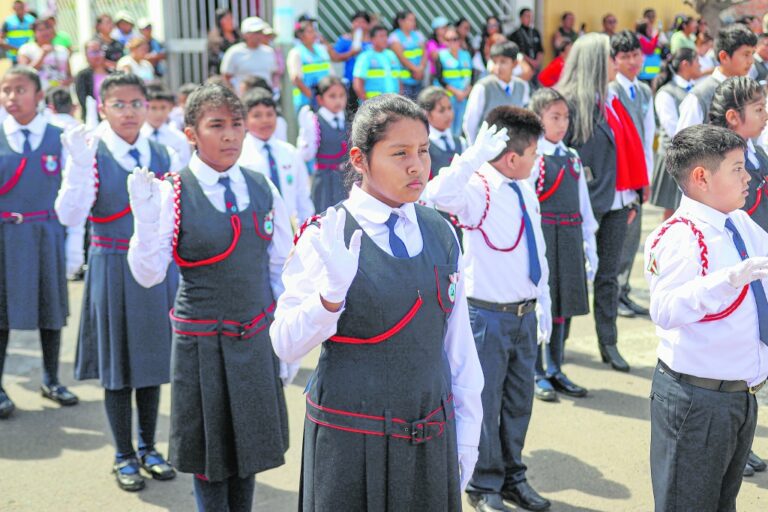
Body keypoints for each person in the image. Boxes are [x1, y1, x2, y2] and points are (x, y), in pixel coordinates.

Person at [271, 93, 483, 511]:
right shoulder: (325, 236)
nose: (417, 165)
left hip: (429, 432)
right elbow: (284, 345)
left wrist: (469, 431)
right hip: (352, 441)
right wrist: (329, 299)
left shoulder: (440, 231)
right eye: (399, 153)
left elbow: (458, 346)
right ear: (359, 159)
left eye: (423, 151)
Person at [126, 83, 294, 512]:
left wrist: (287, 345)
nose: (230, 136)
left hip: (254, 336)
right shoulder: (172, 192)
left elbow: (281, 270)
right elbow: (148, 276)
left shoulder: (262, 187)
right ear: (190, 134)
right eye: (216, 125)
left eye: (236, 125)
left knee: (249, 451)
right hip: (202, 344)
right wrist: (145, 226)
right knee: (210, 458)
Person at [54, 72, 180, 491]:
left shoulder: (162, 152)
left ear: (148, 107)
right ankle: (123, 453)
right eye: (119, 104)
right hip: (110, 263)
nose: (129, 112)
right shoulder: (92, 153)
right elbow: (70, 215)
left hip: (156, 270)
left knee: (151, 361)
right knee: (118, 366)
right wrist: (76, 167)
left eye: (136, 103)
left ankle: (148, 446)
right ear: (102, 108)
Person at [426, 108, 551, 512]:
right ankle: (483, 483)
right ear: (512, 157)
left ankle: (514, 475)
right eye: (533, 153)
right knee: (484, 402)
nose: (537, 161)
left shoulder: (524, 186)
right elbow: (435, 196)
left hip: (523, 314)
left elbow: (538, 249)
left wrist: (543, 299)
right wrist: (471, 157)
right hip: (488, 316)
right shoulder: (478, 186)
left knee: (518, 402)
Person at [644, 124, 768, 511]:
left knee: (721, 504)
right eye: (736, 168)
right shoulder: (679, 236)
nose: (748, 176)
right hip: (698, 400)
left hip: (738, 397)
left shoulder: (738, 222)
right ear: (701, 177)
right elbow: (664, 309)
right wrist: (725, 281)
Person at [559, 33, 647, 372]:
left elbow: (627, 151)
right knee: (570, 278)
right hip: (584, 206)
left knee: (608, 277)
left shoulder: (613, 98)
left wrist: (633, 196)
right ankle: (555, 349)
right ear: (597, 61)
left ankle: (608, 343)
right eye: (612, 56)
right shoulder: (569, 103)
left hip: (617, 203)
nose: (618, 62)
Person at [0, 66, 79, 419]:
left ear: (39, 95)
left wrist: (74, 245)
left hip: (46, 233)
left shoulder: (58, 137)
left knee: (51, 309)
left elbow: (73, 191)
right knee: (1, 314)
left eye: (20, 90)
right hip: (5, 238)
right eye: (5, 90)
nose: (11, 97)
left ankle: (50, 378)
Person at [709, 76, 768, 478]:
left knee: (753, 364)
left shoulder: (756, 153)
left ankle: (740, 443)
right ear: (734, 117)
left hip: (758, 262)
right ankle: (728, 447)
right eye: (759, 109)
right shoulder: (717, 162)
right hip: (734, 266)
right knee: (729, 367)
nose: (766, 115)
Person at [528, 88, 597, 403]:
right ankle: (537, 370)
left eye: (565, 117)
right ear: (538, 118)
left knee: (563, 306)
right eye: (554, 117)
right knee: (542, 303)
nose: (562, 123)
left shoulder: (572, 157)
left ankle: (555, 366)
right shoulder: (533, 158)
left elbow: (584, 207)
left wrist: (589, 245)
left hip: (569, 237)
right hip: (544, 238)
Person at [608, 30, 654, 319]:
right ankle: (613, 294)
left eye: (635, 55)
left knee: (632, 236)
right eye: (625, 57)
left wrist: (646, 177)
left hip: (638, 173)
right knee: (618, 237)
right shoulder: (612, 91)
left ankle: (623, 290)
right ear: (614, 61)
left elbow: (648, 138)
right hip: (620, 174)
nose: (632, 61)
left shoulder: (646, 90)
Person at [238, 89, 314, 225]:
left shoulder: (290, 152)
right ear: (244, 121)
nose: (265, 120)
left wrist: (307, 227)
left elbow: (302, 195)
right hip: (256, 227)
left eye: (269, 114)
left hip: (290, 226)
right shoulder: (240, 155)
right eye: (257, 115)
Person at [676, 24, 756, 132]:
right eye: (746, 54)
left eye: (752, 54)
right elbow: (683, 143)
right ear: (724, 57)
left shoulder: (750, 90)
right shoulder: (701, 96)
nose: (751, 61)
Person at [651, 48, 699, 220]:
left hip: (692, 154)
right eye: (696, 61)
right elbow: (672, 129)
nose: (700, 65)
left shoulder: (694, 88)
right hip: (673, 156)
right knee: (672, 208)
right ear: (685, 64)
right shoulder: (666, 93)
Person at [296, 76, 349, 212]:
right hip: (325, 181)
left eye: (342, 95)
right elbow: (306, 155)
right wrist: (307, 134)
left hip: (346, 180)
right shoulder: (314, 122)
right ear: (320, 99)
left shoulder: (348, 120)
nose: (338, 100)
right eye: (332, 96)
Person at [463, 41, 529, 143]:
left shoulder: (522, 86)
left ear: (515, 63)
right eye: (495, 62)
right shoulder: (483, 87)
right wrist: (474, 149)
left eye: (503, 62)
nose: (498, 67)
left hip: (513, 148)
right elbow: (470, 122)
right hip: (488, 150)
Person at [418, 85, 466, 178]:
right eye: (441, 110)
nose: (448, 114)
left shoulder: (461, 142)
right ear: (426, 114)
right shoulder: (422, 146)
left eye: (449, 108)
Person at [220, 17, 278, 93]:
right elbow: (226, 77)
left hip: (265, 98)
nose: (258, 35)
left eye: (260, 32)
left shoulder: (269, 51)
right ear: (245, 34)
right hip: (243, 99)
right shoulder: (234, 52)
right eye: (255, 32)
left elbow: (273, 74)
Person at [434, 26, 472, 137]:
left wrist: (465, 93)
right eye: (448, 39)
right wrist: (456, 92)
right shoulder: (441, 56)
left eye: (454, 39)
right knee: (448, 128)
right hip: (448, 98)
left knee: (461, 128)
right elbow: (439, 78)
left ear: (460, 40)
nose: (451, 42)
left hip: (463, 98)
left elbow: (472, 76)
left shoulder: (466, 55)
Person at [287, 20, 332, 113]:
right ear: (301, 35)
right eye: (310, 32)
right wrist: (312, 97)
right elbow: (296, 80)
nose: (314, 34)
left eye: (314, 31)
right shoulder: (296, 53)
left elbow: (330, 73)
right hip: (306, 101)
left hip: (325, 99)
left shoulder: (321, 50)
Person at [141, 86, 191, 168]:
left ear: (170, 108)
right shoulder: (137, 136)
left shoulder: (179, 138)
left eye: (163, 108)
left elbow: (184, 166)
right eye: (153, 108)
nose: (159, 113)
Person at [17, 17, 72, 91]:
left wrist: (67, 82)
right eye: (40, 30)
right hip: (37, 94)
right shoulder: (26, 49)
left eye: (48, 28)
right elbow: (24, 74)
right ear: (34, 33)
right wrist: (42, 55)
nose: (45, 32)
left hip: (60, 94)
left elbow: (69, 75)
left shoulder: (62, 50)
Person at [330, 10, 371, 109]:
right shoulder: (346, 40)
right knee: (353, 110)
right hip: (350, 82)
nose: (359, 25)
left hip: (369, 82)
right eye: (357, 22)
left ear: (368, 25)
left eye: (363, 22)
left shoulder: (373, 41)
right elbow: (335, 57)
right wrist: (351, 53)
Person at [353, 25, 402, 102]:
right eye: (381, 36)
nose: (385, 39)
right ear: (372, 39)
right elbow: (357, 84)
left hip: (392, 102)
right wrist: (367, 103)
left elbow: (398, 79)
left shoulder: (391, 55)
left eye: (386, 36)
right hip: (373, 105)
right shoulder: (365, 57)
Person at [389, 10, 426, 99]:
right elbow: (401, 57)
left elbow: (424, 53)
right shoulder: (395, 36)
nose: (413, 23)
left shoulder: (418, 34)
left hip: (418, 78)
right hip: (404, 81)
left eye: (414, 20)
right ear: (401, 21)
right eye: (410, 20)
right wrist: (416, 70)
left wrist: (421, 68)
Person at [75, 39, 112, 122]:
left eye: (99, 51)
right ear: (86, 55)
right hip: (93, 120)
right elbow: (83, 100)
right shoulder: (83, 76)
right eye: (93, 52)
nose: (97, 55)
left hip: (113, 118)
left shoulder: (113, 73)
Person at [206, 8, 241, 77]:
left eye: (231, 18)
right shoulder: (215, 40)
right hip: (222, 74)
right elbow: (213, 60)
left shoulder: (238, 37)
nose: (231, 21)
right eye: (228, 19)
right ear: (220, 21)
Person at [509, 8, 543, 76]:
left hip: (536, 66)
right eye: (527, 16)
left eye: (531, 16)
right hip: (523, 66)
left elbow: (540, 50)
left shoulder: (535, 32)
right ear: (521, 18)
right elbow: (517, 52)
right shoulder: (515, 34)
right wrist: (531, 61)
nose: (530, 18)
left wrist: (537, 62)